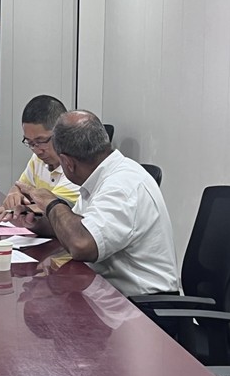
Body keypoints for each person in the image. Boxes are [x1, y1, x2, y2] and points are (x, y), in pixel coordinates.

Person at [16, 110, 178, 296]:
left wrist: (51, 202)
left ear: (67, 163)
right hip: (111, 295)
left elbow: (81, 244)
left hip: (144, 305)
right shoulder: (100, 176)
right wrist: (37, 222)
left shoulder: (121, 186)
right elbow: (75, 227)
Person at [0, 95, 79, 230]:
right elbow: (21, 188)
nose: (37, 150)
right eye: (30, 142)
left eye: (41, 141)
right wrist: (14, 193)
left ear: (62, 133)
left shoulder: (77, 166)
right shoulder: (38, 158)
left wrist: (18, 208)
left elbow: (53, 208)